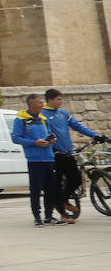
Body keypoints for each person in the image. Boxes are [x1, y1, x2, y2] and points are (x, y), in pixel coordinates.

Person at [43, 88, 103, 223]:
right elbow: (47, 134)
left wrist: (95, 135)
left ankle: (64, 200)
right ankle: (63, 214)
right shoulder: (43, 115)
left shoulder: (63, 113)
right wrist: (54, 148)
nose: (61, 101)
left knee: (76, 179)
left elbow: (77, 125)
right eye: (58, 99)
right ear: (50, 100)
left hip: (68, 153)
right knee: (56, 184)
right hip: (56, 155)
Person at [12, 93, 59, 226]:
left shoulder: (43, 118)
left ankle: (49, 215)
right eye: (39, 103)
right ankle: (37, 217)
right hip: (35, 159)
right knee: (36, 189)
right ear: (31, 104)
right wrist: (34, 143)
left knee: (50, 189)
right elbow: (16, 138)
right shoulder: (21, 119)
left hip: (49, 158)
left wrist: (51, 140)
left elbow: (49, 132)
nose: (42, 105)